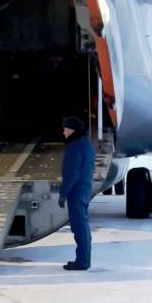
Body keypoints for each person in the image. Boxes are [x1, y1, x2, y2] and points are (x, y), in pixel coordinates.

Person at [59, 116, 95, 271]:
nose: (63, 132)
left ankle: (82, 261)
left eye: (65, 129)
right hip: (84, 188)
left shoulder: (75, 146)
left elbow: (71, 172)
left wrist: (63, 192)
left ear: (72, 130)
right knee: (82, 225)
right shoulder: (86, 144)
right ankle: (83, 259)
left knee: (79, 226)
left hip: (76, 191)